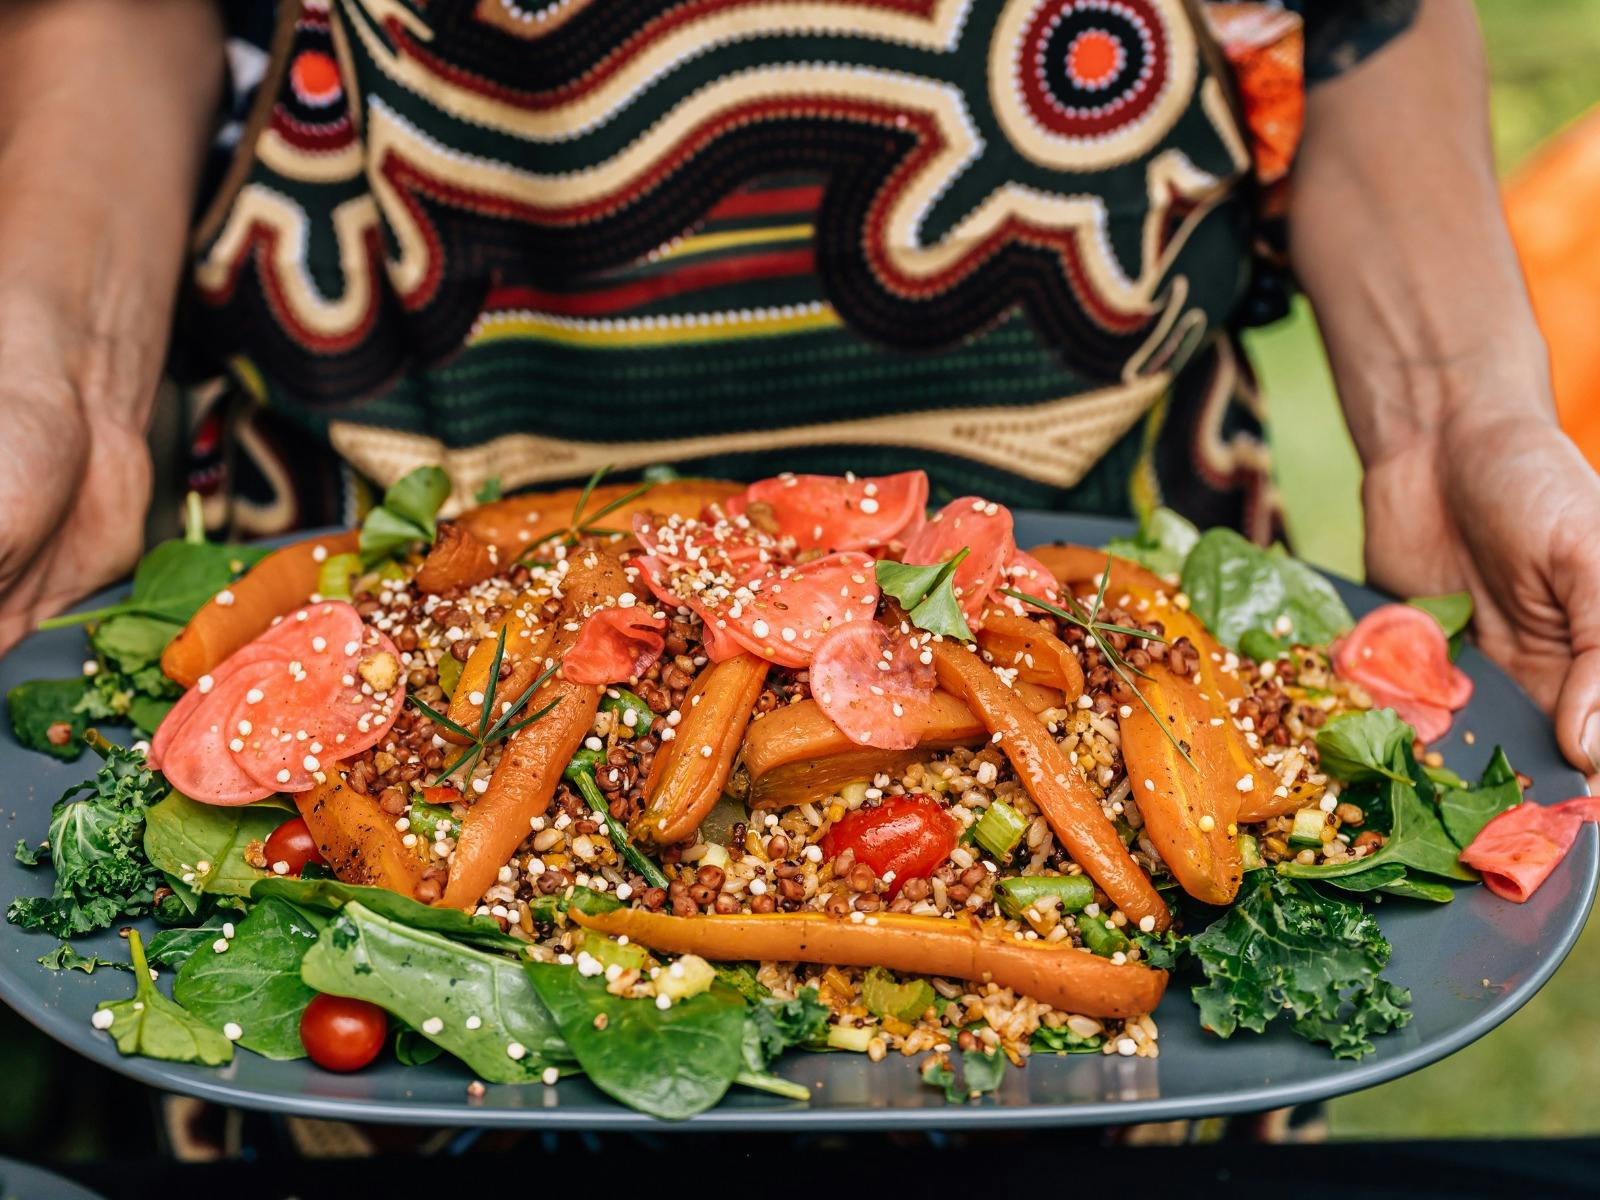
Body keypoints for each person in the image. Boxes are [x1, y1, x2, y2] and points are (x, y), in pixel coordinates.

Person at [2, 0, 1598, 791]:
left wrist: (1463, 409)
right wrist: (51, 364)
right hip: (382, 594)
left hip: (1112, 592)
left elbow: (1360, 19)